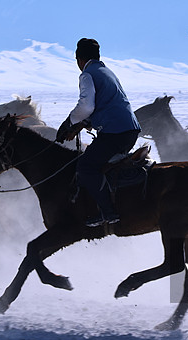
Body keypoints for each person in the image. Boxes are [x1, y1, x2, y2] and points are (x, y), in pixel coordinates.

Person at [55, 38, 141, 227]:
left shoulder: (87, 74)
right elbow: (104, 105)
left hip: (115, 132)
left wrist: (68, 123)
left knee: (86, 167)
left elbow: (86, 105)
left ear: (79, 59)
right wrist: (81, 124)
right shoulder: (106, 71)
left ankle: (108, 213)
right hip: (129, 129)